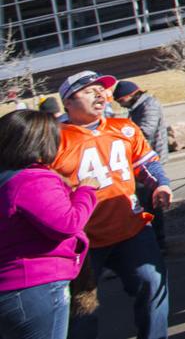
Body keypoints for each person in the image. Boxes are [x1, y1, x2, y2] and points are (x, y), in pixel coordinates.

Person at [52, 70, 173, 339]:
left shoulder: (124, 128)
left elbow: (147, 163)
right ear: (68, 103)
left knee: (153, 285)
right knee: (83, 310)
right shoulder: (54, 140)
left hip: (130, 229)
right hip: (82, 240)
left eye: (102, 88)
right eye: (88, 90)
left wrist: (160, 184)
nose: (99, 93)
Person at [0, 110, 99, 339]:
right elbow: (67, 224)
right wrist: (86, 190)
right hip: (34, 285)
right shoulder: (31, 179)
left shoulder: (7, 177)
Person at [112, 82, 168, 249]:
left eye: (120, 100)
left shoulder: (149, 105)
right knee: (146, 200)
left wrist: (121, 135)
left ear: (129, 95)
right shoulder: (138, 107)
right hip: (141, 159)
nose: (120, 104)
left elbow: (145, 131)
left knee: (151, 201)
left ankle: (159, 241)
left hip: (149, 159)